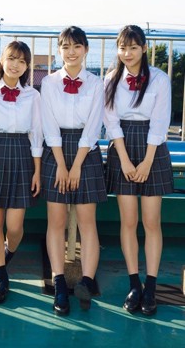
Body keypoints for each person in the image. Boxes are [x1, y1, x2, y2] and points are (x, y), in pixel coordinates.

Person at [104, 25, 173, 316]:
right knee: (128, 220)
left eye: (133, 47)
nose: (127, 53)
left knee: (151, 221)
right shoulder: (110, 79)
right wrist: (125, 160)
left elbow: (159, 122)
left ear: (144, 48)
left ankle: (151, 286)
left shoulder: (159, 78)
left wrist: (146, 161)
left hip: (151, 148)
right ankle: (134, 284)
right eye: (122, 47)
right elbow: (111, 122)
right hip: (122, 147)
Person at [40, 26, 107, 315]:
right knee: (55, 220)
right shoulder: (49, 83)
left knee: (86, 220)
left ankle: (86, 281)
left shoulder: (96, 83)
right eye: (65, 46)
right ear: (59, 50)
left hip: (86, 151)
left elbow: (94, 126)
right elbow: (48, 124)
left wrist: (76, 164)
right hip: (56, 149)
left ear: (86, 50)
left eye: (77, 46)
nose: (71, 52)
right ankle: (58, 282)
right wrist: (61, 163)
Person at [0, 41, 43, 305]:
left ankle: (7, 253)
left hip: (23, 153)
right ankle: (2, 276)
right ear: (2, 60)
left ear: (27, 67)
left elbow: (37, 134)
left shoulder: (33, 95)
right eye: (11, 58)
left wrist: (37, 171)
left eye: (22, 61)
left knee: (14, 227)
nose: (15, 64)